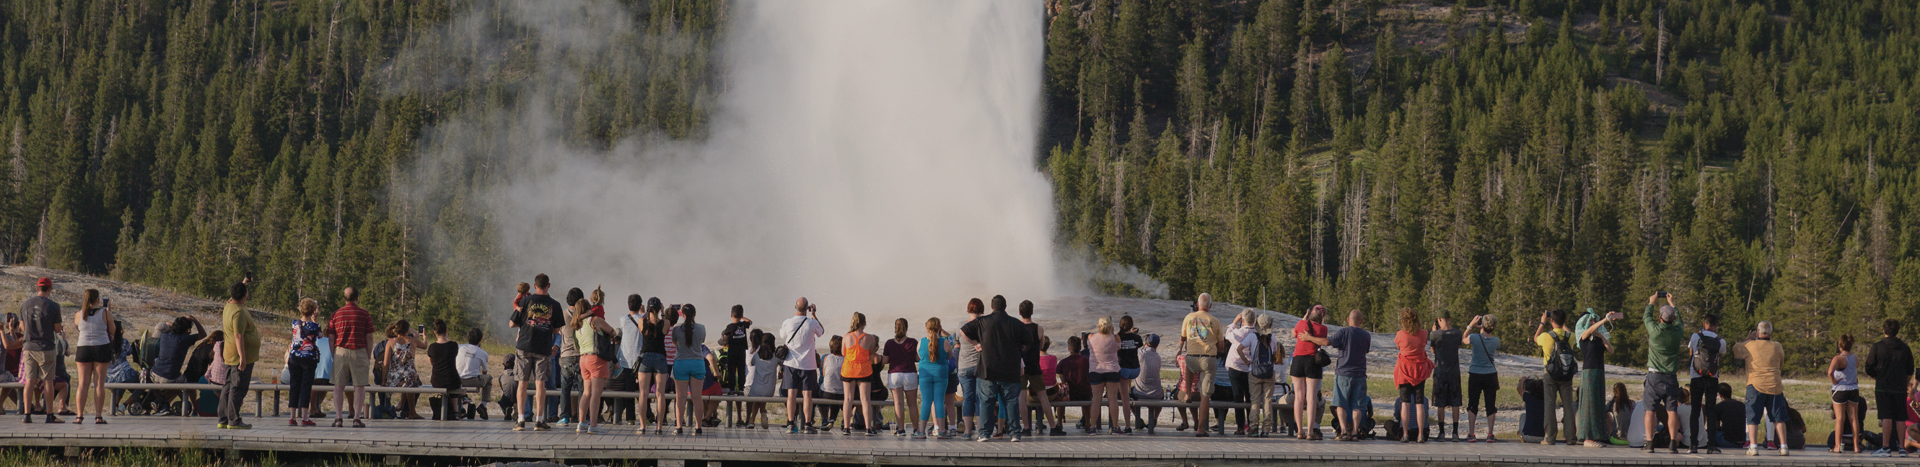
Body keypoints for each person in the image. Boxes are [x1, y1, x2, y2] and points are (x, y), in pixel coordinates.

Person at [961, 295, 1037, 443]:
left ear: (991, 307)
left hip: (988, 369)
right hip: (1010, 370)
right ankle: (1015, 433)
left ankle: (984, 434)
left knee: (986, 402)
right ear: (1005, 306)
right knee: (1011, 402)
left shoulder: (982, 321)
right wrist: (1019, 352)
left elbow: (963, 331)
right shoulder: (1015, 323)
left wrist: (976, 343)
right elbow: (1029, 340)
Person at [509, 275, 561, 432]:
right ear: (549, 285)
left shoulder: (525, 301)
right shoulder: (555, 305)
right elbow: (556, 330)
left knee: (522, 383)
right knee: (541, 384)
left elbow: (512, 323)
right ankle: (539, 421)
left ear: (534, 285)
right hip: (543, 348)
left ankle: (521, 420)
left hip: (524, 345)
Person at [1638, 294, 1687, 454]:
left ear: (1660, 318)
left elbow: (1646, 317)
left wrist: (1651, 302)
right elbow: (1680, 320)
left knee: (1650, 410)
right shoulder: (1677, 332)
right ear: (1672, 319)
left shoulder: (1655, 332)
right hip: (1671, 376)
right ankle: (1673, 443)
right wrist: (1673, 304)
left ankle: (1650, 442)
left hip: (1654, 376)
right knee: (1671, 410)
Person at [1731, 321, 1788, 456]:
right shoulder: (1777, 346)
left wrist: (1747, 339)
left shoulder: (1750, 345)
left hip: (1755, 384)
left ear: (1757, 332)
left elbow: (1735, 350)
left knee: (1753, 417)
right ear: (1771, 333)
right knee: (1778, 418)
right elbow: (1781, 362)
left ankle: (1753, 446)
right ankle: (1784, 446)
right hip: (1774, 385)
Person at [1864, 318, 1913, 457]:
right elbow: (1910, 370)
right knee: (1900, 417)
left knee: (1886, 416)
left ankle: (1885, 447)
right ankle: (1902, 448)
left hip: (1883, 387)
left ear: (1884, 330)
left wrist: (1878, 377)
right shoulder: (1905, 348)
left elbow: (1868, 367)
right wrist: (1905, 382)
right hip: (1900, 387)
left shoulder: (1878, 346)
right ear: (1897, 330)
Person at [1179, 294, 1225, 438]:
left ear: (1198, 304)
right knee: (1205, 393)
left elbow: (1183, 337)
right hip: (1208, 358)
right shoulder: (1215, 321)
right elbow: (1221, 344)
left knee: (1189, 365)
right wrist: (1218, 348)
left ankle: (1187, 393)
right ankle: (1200, 428)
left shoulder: (1188, 317)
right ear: (1210, 306)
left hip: (1192, 356)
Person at [331, 287, 376, 428]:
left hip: (341, 351)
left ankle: (338, 418)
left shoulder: (336, 314)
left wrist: (334, 353)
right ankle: (356, 418)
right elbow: (369, 337)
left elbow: (331, 337)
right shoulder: (364, 314)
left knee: (338, 386)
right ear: (357, 298)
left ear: (344, 298)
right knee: (359, 386)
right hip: (359, 350)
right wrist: (368, 355)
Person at [217, 281, 260, 430]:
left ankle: (223, 418)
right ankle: (233, 419)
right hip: (238, 356)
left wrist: (243, 284)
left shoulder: (229, 305)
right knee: (238, 386)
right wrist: (243, 357)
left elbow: (235, 296)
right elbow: (238, 335)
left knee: (228, 386)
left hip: (230, 353)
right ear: (245, 295)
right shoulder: (238, 312)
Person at [20, 277, 63, 424]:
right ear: (50, 289)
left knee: (30, 380)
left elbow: (23, 328)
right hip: (46, 347)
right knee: (48, 381)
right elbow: (57, 329)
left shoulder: (25, 304)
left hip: (29, 346)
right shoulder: (54, 306)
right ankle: (49, 414)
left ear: (37, 288)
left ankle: (26, 414)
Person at [779, 297, 825, 434]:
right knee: (807, 395)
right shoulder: (812, 323)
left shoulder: (788, 322)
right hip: (808, 364)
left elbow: (782, 335)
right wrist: (814, 314)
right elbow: (821, 332)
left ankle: (790, 423)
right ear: (807, 308)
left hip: (791, 363)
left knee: (791, 394)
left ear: (795, 307)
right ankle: (808, 423)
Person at [571, 300, 618, 434]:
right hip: (596, 358)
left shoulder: (576, 325)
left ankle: (581, 423)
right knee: (596, 394)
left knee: (586, 392)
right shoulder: (595, 320)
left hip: (583, 358)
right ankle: (593, 425)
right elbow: (613, 332)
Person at [1578, 310, 1621, 448]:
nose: (1593, 324)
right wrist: (1604, 320)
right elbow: (1587, 332)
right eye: (1591, 322)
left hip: (1599, 372)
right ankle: (1587, 437)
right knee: (1589, 404)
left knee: (1597, 403)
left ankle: (1598, 435)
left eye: (1594, 321)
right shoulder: (1583, 339)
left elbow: (1611, 350)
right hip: (1589, 372)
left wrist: (1601, 335)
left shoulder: (1598, 339)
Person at [71, 289, 115, 425]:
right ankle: (98, 416)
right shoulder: (105, 313)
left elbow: (78, 328)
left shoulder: (79, 314)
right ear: (97, 299)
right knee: (99, 384)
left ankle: (79, 415)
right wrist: (109, 312)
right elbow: (112, 330)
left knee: (83, 383)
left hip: (83, 347)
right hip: (101, 346)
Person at [1533, 309, 1576, 445]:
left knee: (1550, 405)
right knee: (1568, 406)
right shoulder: (1570, 336)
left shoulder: (1547, 336)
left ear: (1551, 321)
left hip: (1550, 373)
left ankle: (1550, 437)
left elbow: (1535, 338)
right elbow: (1570, 333)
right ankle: (1570, 437)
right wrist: (1563, 324)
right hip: (1566, 374)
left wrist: (1542, 322)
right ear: (1565, 321)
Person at [1686, 312, 1728, 453]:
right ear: (1716, 326)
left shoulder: (1695, 336)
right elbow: (1720, 355)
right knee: (1710, 411)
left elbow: (1691, 353)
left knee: (1695, 410)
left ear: (1704, 324)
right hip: (1712, 377)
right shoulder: (1721, 341)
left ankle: (1693, 445)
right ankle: (1711, 446)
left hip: (1696, 375)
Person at [1017, 301, 1059, 436]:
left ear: (1019, 312)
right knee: (1043, 397)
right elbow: (1041, 346)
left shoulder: (1016, 327)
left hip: (1020, 366)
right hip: (1034, 366)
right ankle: (1053, 427)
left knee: (1021, 397)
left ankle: (1026, 428)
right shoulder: (1039, 329)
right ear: (1032, 312)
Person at [1327, 309, 1370, 441]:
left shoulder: (1343, 332)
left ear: (1348, 319)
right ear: (1361, 321)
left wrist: (1309, 337)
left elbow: (1328, 342)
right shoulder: (1366, 335)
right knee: (1357, 405)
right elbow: (1366, 350)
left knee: (1341, 404)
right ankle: (1355, 432)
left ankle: (1344, 431)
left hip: (1344, 372)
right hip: (1360, 373)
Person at [1393, 307, 1433, 443]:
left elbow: (1399, 346)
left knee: (1405, 403)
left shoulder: (1400, 334)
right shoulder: (1423, 333)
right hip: (1419, 370)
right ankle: (1421, 434)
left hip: (1405, 370)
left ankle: (1405, 434)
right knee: (1419, 402)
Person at [1292, 305, 1329, 440]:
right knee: (1311, 398)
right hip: (1313, 361)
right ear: (1322, 317)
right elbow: (1324, 341)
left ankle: (1299, 431)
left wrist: (1304, 319)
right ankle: (1310, 431)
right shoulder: (1323, 328)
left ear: (1309, 314)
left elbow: (1293, 334)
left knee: (1298, 397)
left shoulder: (1301, 323)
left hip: (1298, 360)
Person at [670, 304, 708, 435]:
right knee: (697, 397)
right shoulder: (701, 328)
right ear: (695, 314)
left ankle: (679, 426)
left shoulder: (676, 329)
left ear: (683, 315)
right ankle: (698, 427)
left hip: (681, 362)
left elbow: (675, 343)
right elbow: (701, 342)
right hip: (697, 362)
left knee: (680, 397)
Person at [839, 312, 879, 436]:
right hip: (864, 370)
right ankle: (868, 428)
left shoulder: (846, 337)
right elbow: (871, 353)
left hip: (848, 369)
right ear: (864, 323)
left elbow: (843, 353)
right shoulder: (869, 338)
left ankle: (846, 427)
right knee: (865, 399)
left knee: (848, 398)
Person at [1244, 314, 1283, 438]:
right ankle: (1266, 429)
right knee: (1267, 401)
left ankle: (1254, 427)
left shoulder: (1251, 337)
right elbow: (1275, 355)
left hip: (1254, 371)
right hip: (1269, 372)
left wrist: (1246, 361)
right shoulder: (1273, 339)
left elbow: (1239, 348)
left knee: (1254, 401)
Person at [882, 318, 922, 437]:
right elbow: (918, 358)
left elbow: (885, 360)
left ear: (895, 328)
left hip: (894, 374)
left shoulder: (889, 343)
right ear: (907, 328)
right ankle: (915, 429)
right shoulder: (912, 342)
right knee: (912, 404)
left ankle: (901, 429)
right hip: (909, 373)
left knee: (898, 403)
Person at [285, 299, 323, 426]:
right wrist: (315, 319)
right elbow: (320, 335)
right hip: (308, 358)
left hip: (294, 357)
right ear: (313, 310)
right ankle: (305, 417)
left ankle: (292, 417)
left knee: (294, 386)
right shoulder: (314, 326)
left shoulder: (294, 323)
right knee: (306, 386)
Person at [1464, 314, 1500, 442]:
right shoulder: (1496, 341)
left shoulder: (1474, 337)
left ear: (1482, 325)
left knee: (1473, 404)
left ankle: (1471, 433)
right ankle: (1490, 434)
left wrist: (1470, 326)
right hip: (1490, 374)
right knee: (1490, 405)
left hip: (1475, 373)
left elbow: (1464, 339)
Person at [636, 297, 670, 434]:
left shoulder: (641, 321)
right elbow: (666, 327)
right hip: (660, 358)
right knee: (660, 394)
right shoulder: (665, 322)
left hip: (645, 357)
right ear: (659, 308)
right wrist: (662, 312)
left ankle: (642, 426)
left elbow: (642, 326)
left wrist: (643, 312)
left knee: (643, 394)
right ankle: (659, 427)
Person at [1429, 312, 1464, 441]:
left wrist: (1433, 332)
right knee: (1455, 403)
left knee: (1440, 403)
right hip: (1454, 371)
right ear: (1450, 318)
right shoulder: (1457, 333)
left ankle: (1442, 432)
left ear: (1439, 319)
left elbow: (1433, 350)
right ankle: (1455, 432)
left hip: (1440, 371)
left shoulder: (1435, 334)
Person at [1221, 310, 1257, 436]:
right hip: (1250, 368)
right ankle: (1252, 425)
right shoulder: (1256, 334)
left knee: (1238, 397)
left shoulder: (1239, 332)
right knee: (1249, 397)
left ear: (1243, 320)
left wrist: (1234, 322)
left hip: (1235, 367)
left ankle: (1240, 426)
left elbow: (1227, 335)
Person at [1086, 317, 1123, 435]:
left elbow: (1089, 347)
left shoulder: (1091, 337)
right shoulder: (1115, 337)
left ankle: (1093, 427)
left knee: (1096, 399)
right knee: (1113, 399)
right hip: (1112, 370)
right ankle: (1115, 426)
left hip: (1096, 370)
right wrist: (1111, 333)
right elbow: (1118, 347)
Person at [919, 317, 955, 439]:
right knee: (939, 401)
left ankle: (920, 430)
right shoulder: (944, 342)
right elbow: (949, 355)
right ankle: (942, 430)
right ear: (940, 327)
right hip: (941, 374)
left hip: (925, 375)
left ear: (926, 328)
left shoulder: (921, 342)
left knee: (926, 402)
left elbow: (919, 355)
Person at [954, 299, 985, 438]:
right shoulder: (984, 325)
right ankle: (980, 431)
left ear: (969, 309)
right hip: (980, 366)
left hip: (964, 367)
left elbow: (956, 344)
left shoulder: (961, 325)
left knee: (968, 399)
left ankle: (967, 431)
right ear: (982, 309)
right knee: (979, 399)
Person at [1828, 333, 1863, 453]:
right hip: (1853, 389)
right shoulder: (1855, 358)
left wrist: (1834, 381)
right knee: (1854, 419)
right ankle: (1856, 446)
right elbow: (1855, 369)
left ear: (1840, 345)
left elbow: (1830, 372)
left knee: (1840, 419)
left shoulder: (1838, 358)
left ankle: (1837, 446)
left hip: (1840, 389)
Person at [425, 320, 462, 422]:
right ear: (446, 330)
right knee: (455, 383)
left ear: (435, 332)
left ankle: (449, 410)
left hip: (437, 380)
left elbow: (431, 362)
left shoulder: (432, 347)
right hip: (452, 379)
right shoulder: (453, 345)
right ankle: (455, 411)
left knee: (448, 382)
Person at [1130, 334, 1164, 434]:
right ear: (1157, 346)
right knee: (1161, 394)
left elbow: (1138, 349)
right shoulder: (1158, 357)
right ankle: (1154, 418)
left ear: (1146, 342)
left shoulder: (1140, 354)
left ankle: (1138, 418)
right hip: (1156, 393)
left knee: (1127, 394)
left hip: (1139, 392)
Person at [744, 331, 779, 429]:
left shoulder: (757, 356)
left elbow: (751, 363)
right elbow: (783, 364)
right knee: (761, 396)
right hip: (769, 390)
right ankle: (763, 413)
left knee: (757, 396)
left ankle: (752, 420)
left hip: (756, 389)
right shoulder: (775, 357)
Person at [1115, 315, 1144, 434]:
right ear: (1132, 325)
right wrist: (1133, 333)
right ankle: (1129, 390)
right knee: (1126, 387)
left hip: (1124, 370)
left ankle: (1128, 426)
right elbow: (1139, 345)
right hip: (1136, 369)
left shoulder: (1118, 337)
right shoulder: (1137, 337)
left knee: (1125, 399)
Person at [457, 328, 492, 420]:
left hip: (458, 380)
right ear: (480, 340)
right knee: (489, 378)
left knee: (456, 387)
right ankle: (483, 405)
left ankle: (460, 408)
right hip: (473, 381)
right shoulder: (483, 353)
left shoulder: (459, 347)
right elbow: (484, 372)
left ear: (468, 337)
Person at [819, 335, 846, 429]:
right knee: (838, 395)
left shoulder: (826, 357)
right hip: (842, 393)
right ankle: (839, 419)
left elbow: (824, 374)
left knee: (828, 391)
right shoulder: (846, 359)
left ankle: (826, 419)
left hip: (826, 392)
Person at [1519, 376, 1545, 443]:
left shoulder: (1528, 397)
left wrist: (1522, 380)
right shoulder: (1546, 400)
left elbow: (1519, 389)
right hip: (1544, 437)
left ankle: (1521, 436)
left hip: (1527, 436)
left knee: (1523, 415)